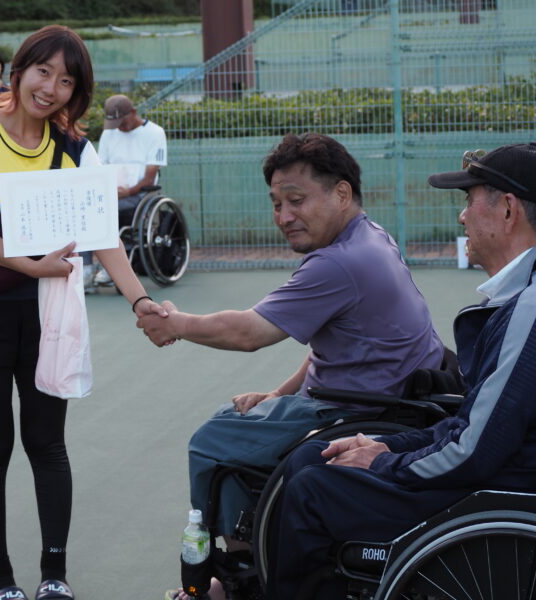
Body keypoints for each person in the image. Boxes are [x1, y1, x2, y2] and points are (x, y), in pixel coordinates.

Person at [136, 133, 446, 597]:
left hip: (358, 409)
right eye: (277, 204)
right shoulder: (373, 236)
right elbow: (334, 347)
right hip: (391, 395)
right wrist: (278, 394)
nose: (284, 217)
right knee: (238, 420)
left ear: (341, 193)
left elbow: (248, 332)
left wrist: (174, 324)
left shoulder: (339, 263)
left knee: (213, 442)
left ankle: (241, 576)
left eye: (296, 201)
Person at [0, 25, 167, 600]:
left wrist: (140, 300)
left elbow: (102, 235)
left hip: (47, 311)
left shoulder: (74, 148)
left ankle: (53, 576)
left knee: (47, 443)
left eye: (66, 81)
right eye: (44, 72)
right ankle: (0, 581)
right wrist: (32, 265)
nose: (51, 88)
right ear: (18, 71)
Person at [264, 142, 536, 600]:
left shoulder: (527, 309)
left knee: (315, 490)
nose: (462, 217)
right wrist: (386, 444)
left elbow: (474, 451)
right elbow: (472, 425)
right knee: (313, 456)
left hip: (501, 489)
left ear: (508, 211)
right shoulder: (515, 298)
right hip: (498, 470)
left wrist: (383, 461)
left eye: (469, 200)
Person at [91, 93, 168, 287]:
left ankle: (112, 268)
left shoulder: (155, 133)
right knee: (87, 211)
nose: (119, 127)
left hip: (141, 194)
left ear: (133, 112)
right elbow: (100, 167)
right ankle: (85, 268)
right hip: (111, 192)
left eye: (122, 122)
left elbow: (150, 177)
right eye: (115, 124)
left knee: (110, 211)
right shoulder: (109, 134)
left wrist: (127, 191)